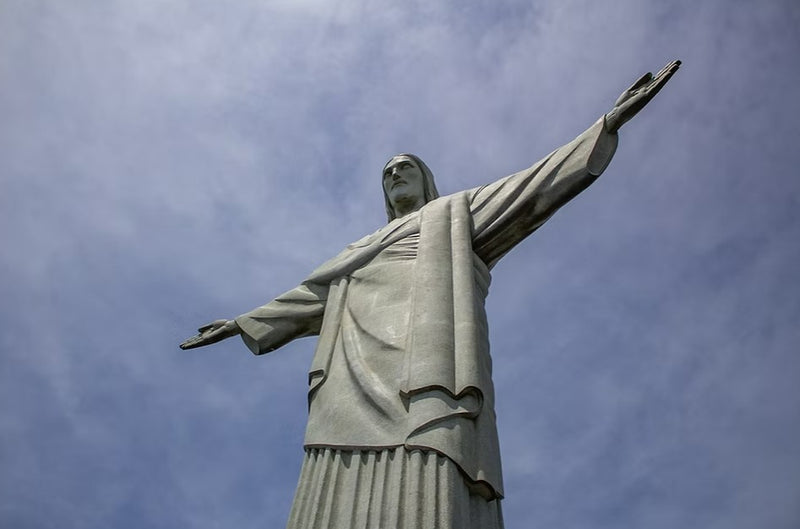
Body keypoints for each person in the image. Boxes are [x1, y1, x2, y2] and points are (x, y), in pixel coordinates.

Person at [181, 60, 680, 529]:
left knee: (430, 446)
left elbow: (532, 187)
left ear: (426, 181)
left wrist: (606, 125)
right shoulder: (359, 249)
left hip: (425, 355)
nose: (395, 174)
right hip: (351, 366)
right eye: (388, 172)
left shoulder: (453, 216)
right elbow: (310, 297)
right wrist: (241, 322)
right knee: (332, 461)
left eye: (406, 168)